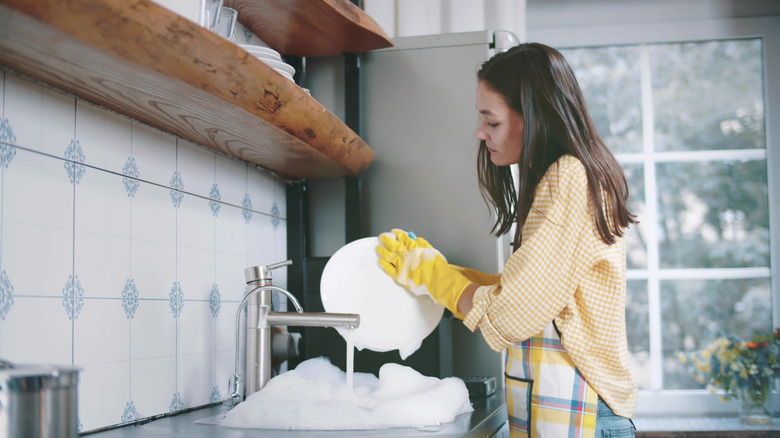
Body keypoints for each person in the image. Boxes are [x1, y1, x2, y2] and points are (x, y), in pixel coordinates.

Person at [376, 42, 638, 437]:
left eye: (491, 122)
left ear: (534, 116)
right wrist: (442, 270)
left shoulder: (570, 177)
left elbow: (511, 314)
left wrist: (435, 276)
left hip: (584, 410)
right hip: (571, 406)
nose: (481, 134)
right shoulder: (566, 176)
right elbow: (538, 296)